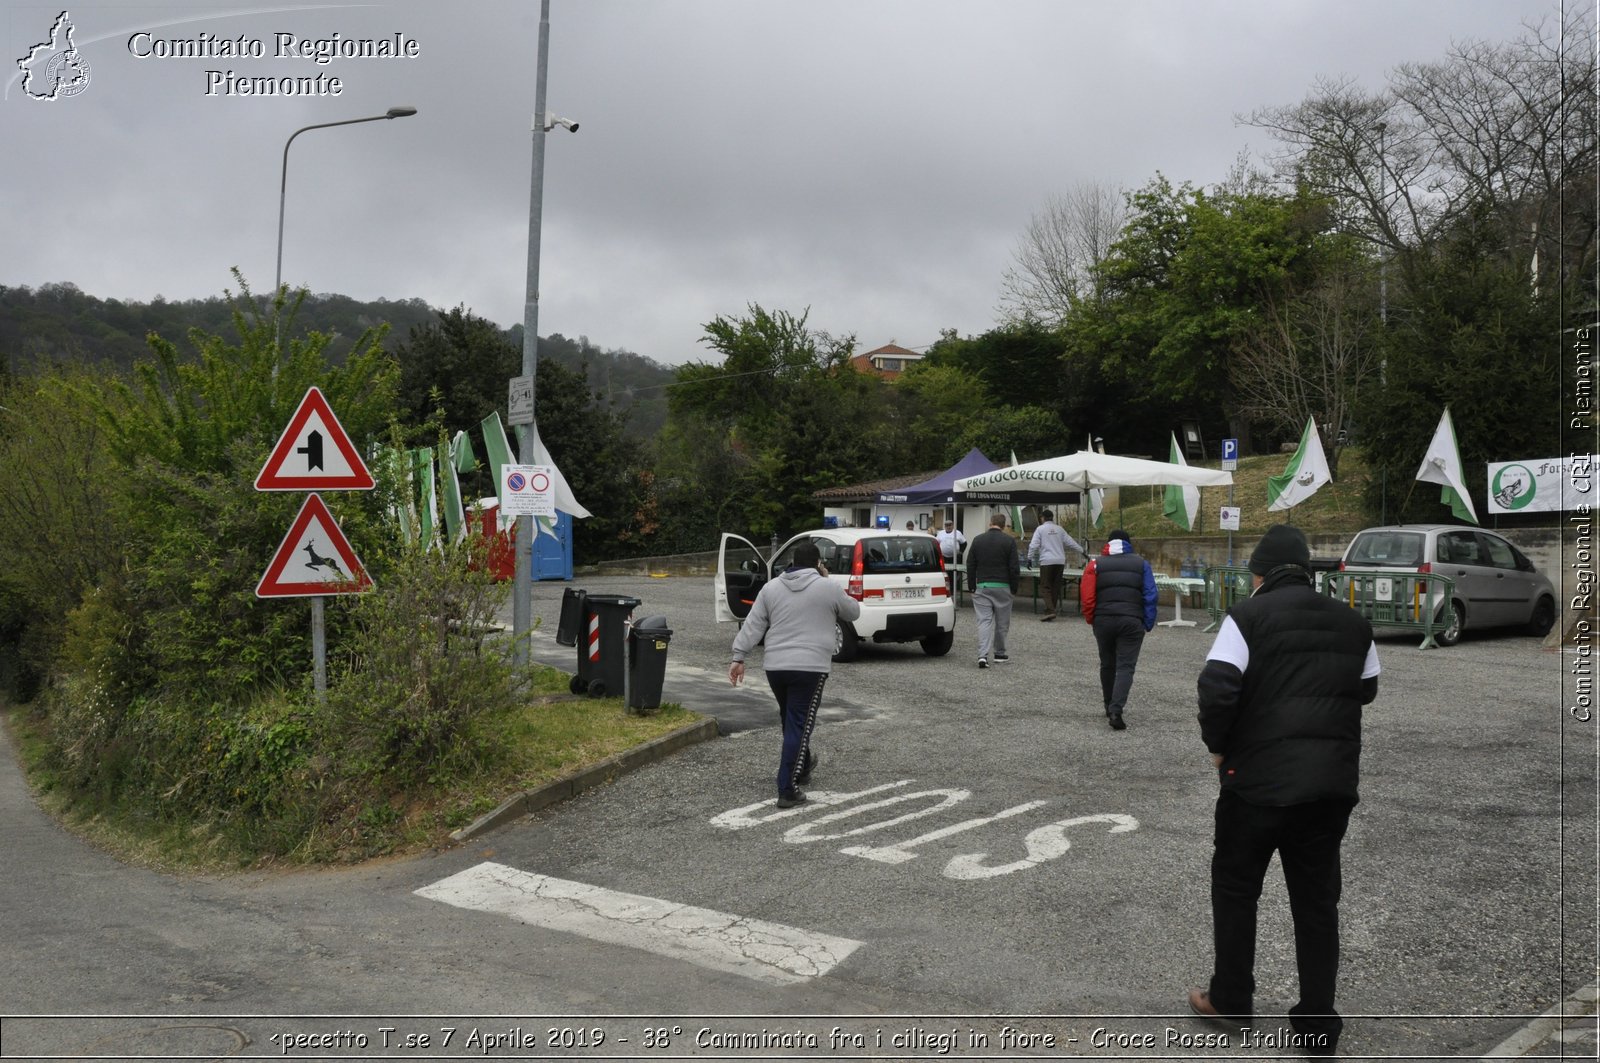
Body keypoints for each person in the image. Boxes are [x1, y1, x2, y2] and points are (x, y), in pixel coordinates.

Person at [1188, 525, 1379, 1056]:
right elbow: (1365, 688)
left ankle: (1231, 997)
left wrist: (1219, 746)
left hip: (1256, 784)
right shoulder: (1353, 623)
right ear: (1307, 572)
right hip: (1329, 787)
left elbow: (1217, 686)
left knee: (1235, 888)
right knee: (1317, 903)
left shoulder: (1245, 618)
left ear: (1258, 574)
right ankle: (1318, 1025)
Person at [729, 541, 861, 809]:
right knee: (800, 724)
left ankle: (802, 765)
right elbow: (853, 611)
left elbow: (754, 624)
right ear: (817, 563)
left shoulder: (771, 587)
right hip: (810, 668)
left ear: (792, 562)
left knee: (790, 718)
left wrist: (738, 656)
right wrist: (827, 579)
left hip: (776, 666)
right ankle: (787, 788)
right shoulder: (827, 587)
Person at [1079, 529, 1156, 729]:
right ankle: (1116, 710)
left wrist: (1091, 618)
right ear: (1129, 544)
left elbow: (1087, 596)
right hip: (1131, 620)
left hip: (1103, 620)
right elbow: (1150, 595)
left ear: (1108, 543)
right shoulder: (1141, 564)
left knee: (1107, 663)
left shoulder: (1095, 564)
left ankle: (1107, 704)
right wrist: (1147, 621)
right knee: (1125, 667)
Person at [964, 512, 1020, 669]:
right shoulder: (1009, 541)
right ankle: (999, 653)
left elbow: (970, 564)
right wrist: (1014, 587)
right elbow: (1014, 567)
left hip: (982, 586)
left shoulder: (978, 540)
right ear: (1003, 526)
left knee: (984, 621)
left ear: (990, 523)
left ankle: (982, 655)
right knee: (1002, 622)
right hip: (1003, 586)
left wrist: (971, 586)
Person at [1025, 508, 1083, 621]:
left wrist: (1029, 558)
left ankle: (1051, 610)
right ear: (1052, 518)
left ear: (1042, 518)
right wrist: (1083, 551)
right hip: (1060, 561)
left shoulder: (1040, 529)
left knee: (1045, 586)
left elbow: (1033, 545)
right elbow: (1071, 542)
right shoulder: (1060, 529)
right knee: (1055, 587)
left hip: (1047, 561)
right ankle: (1050, 610)